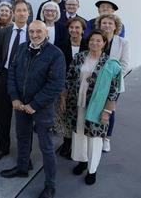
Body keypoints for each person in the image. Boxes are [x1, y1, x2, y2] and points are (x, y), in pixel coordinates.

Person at [1, 21, 66, 198]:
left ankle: (50, 185)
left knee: (46, 147)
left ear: (46, 33)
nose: (35, 34)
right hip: (20, 104)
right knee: (22, 137)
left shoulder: (55, 54)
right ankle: (22, 167)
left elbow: (56, 84)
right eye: (31, 31)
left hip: (42, 108)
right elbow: (12, 73)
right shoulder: (22, 48)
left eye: (39, 31)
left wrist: (34, 104)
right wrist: (14, 97)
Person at [63, 29, 120, 185]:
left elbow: (114, 89)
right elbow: (69, 77)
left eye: (98, 40)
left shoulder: (110, 63)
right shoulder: (79, 57)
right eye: (92, 40)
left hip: (97, 107)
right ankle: (82, 161)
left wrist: (107, 110)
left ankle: (92, 170)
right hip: (77, 104)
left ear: (104, 43)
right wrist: (65, 96)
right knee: (79, 133)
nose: (95, 43)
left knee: (94, 138)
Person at [0, 0, 29, 161]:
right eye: (18, 10)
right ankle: (3, 147)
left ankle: (24, 154)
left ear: (28, 13)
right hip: (5, 77)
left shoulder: (33, 32)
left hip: (25, 80)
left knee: (24, 119)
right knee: (3, 115)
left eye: (24, 10)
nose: (21, 13)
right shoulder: (5, 32)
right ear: (14, 13)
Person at [95, 13, 130, 152]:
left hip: (113, 84)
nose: (107, 25)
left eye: (110, 23)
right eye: (104, 23)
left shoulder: (123, 43)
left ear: (116, 26)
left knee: (109, 110)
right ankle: (96, 134)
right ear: (99, 25)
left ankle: (106, 138)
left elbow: (125, 64)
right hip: (95, 82)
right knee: (95, 108)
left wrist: (111, 82)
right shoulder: (95, 39)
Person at [55, 17, 88, 159]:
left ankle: (77, 147)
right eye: (71, 27)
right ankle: (66, 143)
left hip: (83, 88)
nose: (74, 30)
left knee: (79, 117)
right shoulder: (61, 45)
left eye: (77, 27)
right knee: (65, 116)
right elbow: (57, 69)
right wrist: (63, 92)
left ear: (83, 30)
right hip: (65, 86)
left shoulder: (89, 45)